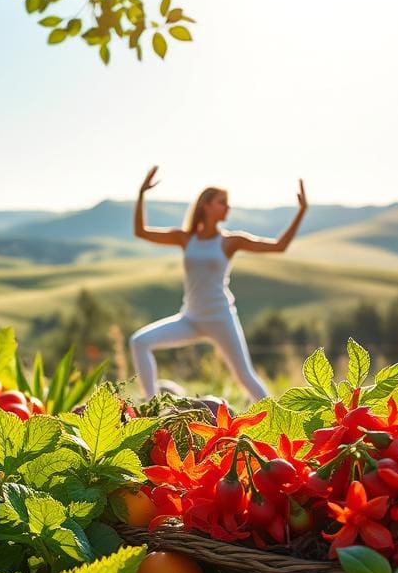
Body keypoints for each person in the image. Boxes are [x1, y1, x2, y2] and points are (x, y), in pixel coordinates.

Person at [129, 167, 309, 402]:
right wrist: (142, 194)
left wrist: (301, 211)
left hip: (221, 318)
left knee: (244, 376)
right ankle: (151, 407)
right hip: (190, 319)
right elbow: (141, 232)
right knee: (139, 342)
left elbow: (279, 246)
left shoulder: (230, 242)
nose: (228, 207)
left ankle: (277, 422)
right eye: (222, 202)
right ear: (206, 205)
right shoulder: (186, 238)